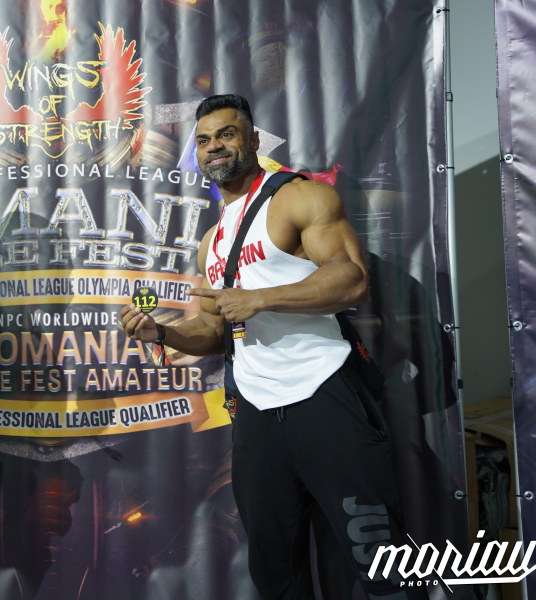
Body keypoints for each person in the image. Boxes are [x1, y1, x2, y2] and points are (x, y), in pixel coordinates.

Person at [120, 95, 423, 599]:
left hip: (322, 393)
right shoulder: (212, 240)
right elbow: (213, 328)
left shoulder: (300, 198)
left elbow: (351, 280)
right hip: (257, 413)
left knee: (377, 554)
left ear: (254, 140)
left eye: (226, 134)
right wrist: (163, 333)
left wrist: (259, 298)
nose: (214, 146)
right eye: (204, 140)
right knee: (273, 569)